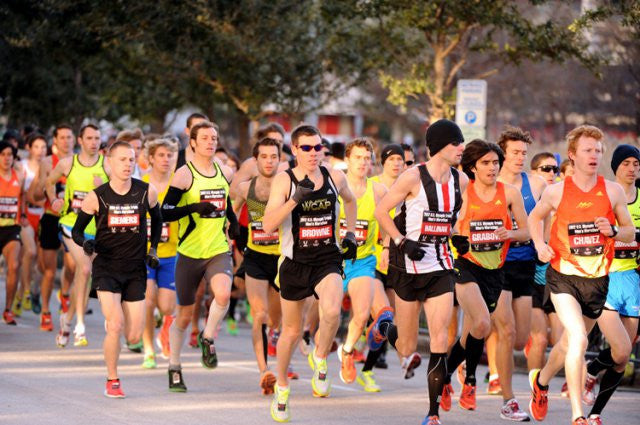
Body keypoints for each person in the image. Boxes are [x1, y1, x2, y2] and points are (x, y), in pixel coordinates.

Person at [528, 125, 634, 425]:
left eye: (598, 150)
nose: (594, 155)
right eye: (588, 150)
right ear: (572, 155)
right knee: (578, 339)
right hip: (563, 275)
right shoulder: (557, 191)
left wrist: (613, 231)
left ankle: (541, 382)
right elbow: (534, 218)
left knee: (569, 344)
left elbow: (628, 232)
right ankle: (578, 415)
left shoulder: (612, 191)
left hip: (597, 279)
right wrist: (540, 245)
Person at [375, 119, 468, 425]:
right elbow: (381, 212)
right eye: (456, 143)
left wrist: (458, 237)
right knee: (407, 346)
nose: (461, 148)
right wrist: (401, 242)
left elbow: (453, 220)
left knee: (440, 338)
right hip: (407, 266)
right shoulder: (412, 177)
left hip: (440, 265)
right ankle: (385, 326)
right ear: (440, 146)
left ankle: (432, 414)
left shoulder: (461, 180)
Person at [262, 124, 357, 423]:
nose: (314, 153)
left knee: (332, 311)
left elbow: (351, 200)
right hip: (294, 262)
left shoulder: (334, 176)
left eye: (318, 147)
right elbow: (267, 225)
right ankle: (282, 389)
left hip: (327, 258)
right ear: (294, 150)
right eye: (307, 148)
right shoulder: (284, 180)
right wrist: (295, 199)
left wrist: (350, 234)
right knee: (291, 331)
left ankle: (320, 357)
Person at [438, 139, 529, 419]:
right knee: (481, 323)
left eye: (495, 162)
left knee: (473, 333)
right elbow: (447, 225)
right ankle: (471, 381)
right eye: (485, 163)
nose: (492, 168)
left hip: (495, 270)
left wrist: (510, 234)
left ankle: (445, 374)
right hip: (466, 265)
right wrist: (456, 236)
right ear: (473, 167)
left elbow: (526, 232)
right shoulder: (463, 193)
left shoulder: (510, 193)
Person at [71, 141, 161, 398]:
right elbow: (77, 231)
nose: (127, 164)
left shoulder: (146, 192)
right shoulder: (96, 196)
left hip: (135, 269)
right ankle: (112, 379)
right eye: (122, 159)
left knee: (133, 336)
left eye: (131, 160)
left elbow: (157, 221)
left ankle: (118, 324)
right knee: (115, 325)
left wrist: (153, 249)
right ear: (109, 162)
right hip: (107, 267)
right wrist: (85, 243)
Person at [161, 121, 238, 392]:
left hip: (217, 248)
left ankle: (207, 336)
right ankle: (174, 366)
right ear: (192, 143)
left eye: (214, 138)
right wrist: (194, 207)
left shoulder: (225, 171)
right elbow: (165, 211)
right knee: (183, 317)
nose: (210, 142)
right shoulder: (184, 175)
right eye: (204, 138)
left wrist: (234, 222)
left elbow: (226, 202)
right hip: (189, 253)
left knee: (223, 294)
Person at [484, 127, 545, 421]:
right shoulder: (490, 184)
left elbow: (548, 216)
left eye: (524, 153)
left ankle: (488, 335)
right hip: (497, 264)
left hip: (526, 264)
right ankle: (508, 399)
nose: (520, 158)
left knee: (520, 340)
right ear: (502, 154)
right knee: (507, 331)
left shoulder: (536, 184)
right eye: (515, 153)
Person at [579, 144, 640, 425]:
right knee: (622, 349)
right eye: (626, 163)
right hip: (605, 277)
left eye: (636, 163)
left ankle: (595, 412)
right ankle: (591, 372)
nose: (631, 168)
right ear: (616, 167)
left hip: (633, 280)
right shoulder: (605, 196)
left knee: (622, 357)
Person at [47, 124, 109, 347]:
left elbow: (118, 194)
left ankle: (67, 320)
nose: (94, 142)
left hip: (96, 229)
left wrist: (104, 188)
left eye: (97, 138)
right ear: (80, 140)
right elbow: (49, 182)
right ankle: (80, 327)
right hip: (71, 225)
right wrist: (54, 199)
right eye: (89, 138)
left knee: (84, 276)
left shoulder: (107, 165)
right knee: (83, 269)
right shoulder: (68, 163)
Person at [337, 138, 390, 386]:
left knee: (360, 315)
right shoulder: (335, 186)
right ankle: (317, 351)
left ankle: (348, 351)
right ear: (347, 159)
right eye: (357, 157)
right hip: (332, 262)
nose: (362, 162)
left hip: (363, 261)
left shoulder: (378, 191)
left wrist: (387, 247)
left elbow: (387, 223)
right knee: (326, 317)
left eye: (367, 158)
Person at [232, 137, 283, 394]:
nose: (269, 161)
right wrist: (229, 237)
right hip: (255, 257)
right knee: (259, 315)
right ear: (256, 160)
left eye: (273, 156)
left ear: (280, 159)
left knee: (274, 320)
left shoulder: (287, 186)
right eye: (264, 156)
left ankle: (274, 338)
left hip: (283, 258)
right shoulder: (246, 188)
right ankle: (264, 371)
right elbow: (231, 211)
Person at [361, 143, 405, 384]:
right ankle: (355, 345)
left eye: (401, 159)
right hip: (372, 258)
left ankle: (368, 369)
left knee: (388, 318)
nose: (397, 163)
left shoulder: (409, 186)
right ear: (383, 162)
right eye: (392, 159)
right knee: (381, 313)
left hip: (398, 259)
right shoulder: (373, 186)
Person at [27, 124, 76, 330]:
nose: (66, 141)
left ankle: (64, 293)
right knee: (48, 270)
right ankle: (46, 312)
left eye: (69, 137)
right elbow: (35, 195)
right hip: (51, 218)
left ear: (74, 140)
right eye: (62, 137)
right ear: (55, 141)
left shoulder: (80, 162)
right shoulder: (47, 163)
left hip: (72, 220)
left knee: (72, 266)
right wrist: (48, 187)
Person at [140, 137, 180, 368]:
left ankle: (164, 327)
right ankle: (148, 350)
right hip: (145, 253)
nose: (166, 159)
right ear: (151, 159)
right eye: (161, 155)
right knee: (147, 302)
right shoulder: (141, 184)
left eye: (169, 155)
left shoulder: (178, 184)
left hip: (171, 252)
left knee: (166, 307)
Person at [13, 133, 47, 317]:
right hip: (25, 216)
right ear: (29, 148)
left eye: (43, 147)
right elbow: (18, 193)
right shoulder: (22, 166)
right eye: (36, 147)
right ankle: (26, 291)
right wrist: (22, 212)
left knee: (39, 262)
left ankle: (21, 296)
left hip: (44, 215)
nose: (40, 151)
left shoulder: (50, 166)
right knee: (30, 253)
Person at [0, 141, 25, 325]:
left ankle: (8, 310)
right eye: (2, 154)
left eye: (10, 154)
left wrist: (22, 214)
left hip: (11, 228)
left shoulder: (19, 176)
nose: (6, 158)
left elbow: (22, 196)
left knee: (14, 266)